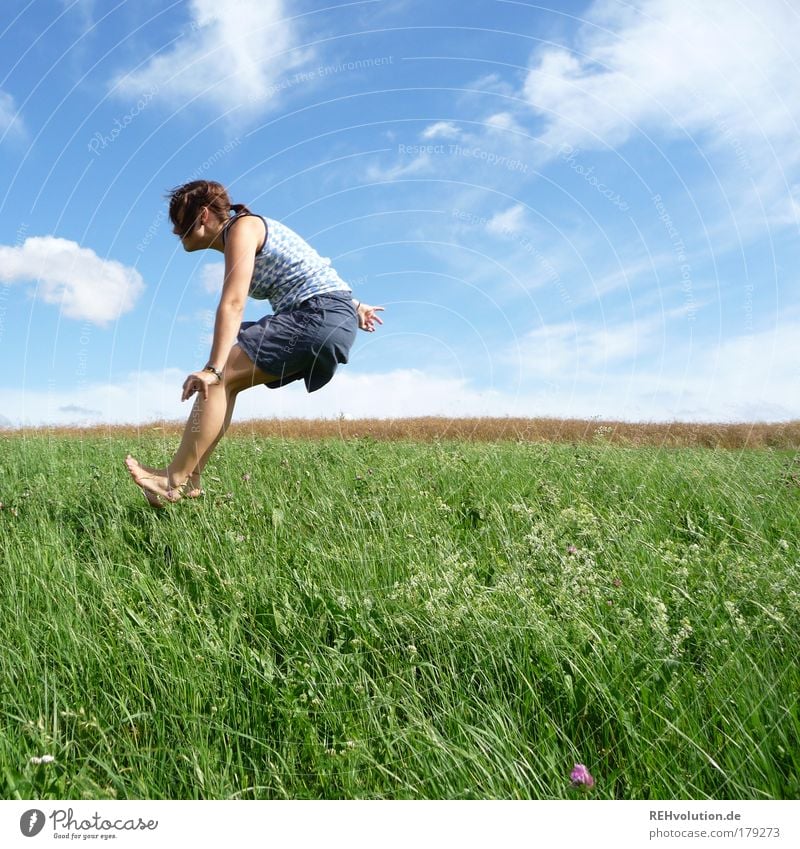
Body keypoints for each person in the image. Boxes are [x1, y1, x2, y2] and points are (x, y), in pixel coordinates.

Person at [125, 179, 384, 507]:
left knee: (218, 381)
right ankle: (187, 477)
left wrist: (212, 368)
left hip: (318, 315)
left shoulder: (242, 228)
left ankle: (175, 479)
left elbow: (233, 303)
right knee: (226, 384)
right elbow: (311, 270)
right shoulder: (246, 231)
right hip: (331, 316)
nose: (175, 231)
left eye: (178, 221)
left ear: (203, 215)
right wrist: (355, 307)